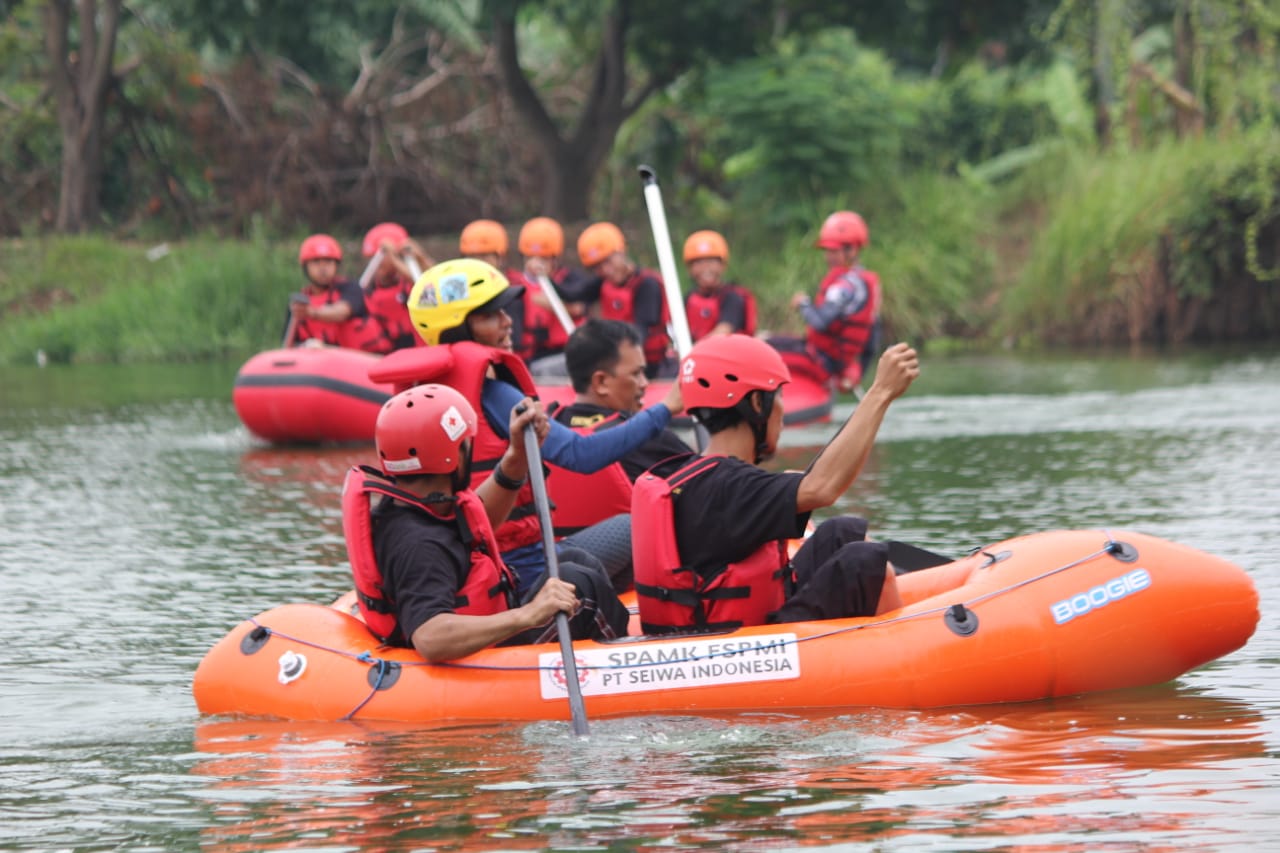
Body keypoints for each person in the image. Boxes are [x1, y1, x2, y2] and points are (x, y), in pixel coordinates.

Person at [381, 257, 685, 594]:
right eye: (490, 316)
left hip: (471, 568)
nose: (507, 322)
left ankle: (595, 613)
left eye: (504, 311)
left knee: (590, 558)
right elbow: (580, 455)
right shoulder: (495, 395)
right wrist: (666, 409)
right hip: (522, 571)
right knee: (636, 525)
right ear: (457, 328)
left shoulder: (416, 396)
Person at [631, 334, 919, 635]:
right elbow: (822, 487)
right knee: (865, 563)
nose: (782, 411)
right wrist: (881, 392)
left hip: (721, 619)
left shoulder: (696, 474)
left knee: (841, 532)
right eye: (778, 395)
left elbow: (808, 484)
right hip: (736, 651)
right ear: (757, 403)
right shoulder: (732, 488)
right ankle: (905, 656)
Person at [342, 383, 629, 661]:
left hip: (483, 628)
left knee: (574, 560)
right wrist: (527, 615)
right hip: (479, 659)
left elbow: (478, 519)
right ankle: (629, 667)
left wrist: (517, 454)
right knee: (582, 586)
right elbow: (429, 638)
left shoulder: (419, 505)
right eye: (467, 445)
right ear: (452, 455)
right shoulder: (419, 543)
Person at [547, 319, 693, 541]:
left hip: (557, 568)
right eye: (636, 374)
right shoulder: (648, 439)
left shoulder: (544, 431)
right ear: (602, 381)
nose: (644, 383)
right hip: (629, 569)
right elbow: (712, 485)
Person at [786, 210, 882, 391]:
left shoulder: (845, 286)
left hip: (824, 361)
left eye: (833, 251)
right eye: (827, 250)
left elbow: (820, 322)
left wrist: (803, 303)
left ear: (852, 249)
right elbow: (872, 339)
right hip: (829, 359)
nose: (827, 256)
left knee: (764, 346)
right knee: (766, 338)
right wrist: (859, 371)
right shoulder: (862, 283)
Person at [575, 222, 672, 378]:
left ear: (621, 252)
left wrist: (605, 353)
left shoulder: (647, 285)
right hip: (617, 361)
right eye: (597, 267)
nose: (605, 270)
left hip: (649, 365)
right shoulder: (602, 282)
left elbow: (641, 333)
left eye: (608, 261)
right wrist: (544, 276)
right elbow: (573, 294)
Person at [287, 234, 384, 351]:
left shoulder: (352, 288)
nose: (323, 268)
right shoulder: (299, 303)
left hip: (356, 361)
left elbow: (342, 312)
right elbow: (288, 345)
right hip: (315, 364)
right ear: (305, 267)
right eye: (316, 262)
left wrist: (311, 312)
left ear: (336, 265)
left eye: (328, 261)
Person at [516, 216, 593, 363]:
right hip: (531, 355)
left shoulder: (571, 278)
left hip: (566, 352)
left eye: (543, 259)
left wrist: (550, 302)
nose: (536, 264)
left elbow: (579, 309)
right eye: (530, 258)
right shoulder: (516, 285)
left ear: (555, 259)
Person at [459, 219, 530, 361]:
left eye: (484, 256)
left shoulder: (518, 284)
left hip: (521, 358)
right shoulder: (461, 289)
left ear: (500, 257)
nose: (477, 263)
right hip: (480, 358)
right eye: (472, 258)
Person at [361, 221, 435, 352]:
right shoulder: (368, 289)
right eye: (371, 258)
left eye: (379, 257)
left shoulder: (410, 284)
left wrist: (420, 257)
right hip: (386, 353)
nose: (375, 264)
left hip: (418, 351)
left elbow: (432, 282)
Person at [682, 230, 757, 341]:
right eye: (698, 262)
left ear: (723, 265)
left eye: (711, 261)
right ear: (690, 269)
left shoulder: (733, 298)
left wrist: (693, 350)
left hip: (726, 355)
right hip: (695, 353)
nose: (706, 268)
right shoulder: (689, 298)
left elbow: (722, 333)